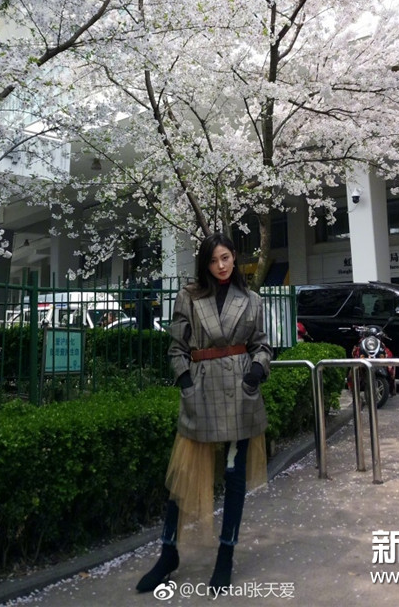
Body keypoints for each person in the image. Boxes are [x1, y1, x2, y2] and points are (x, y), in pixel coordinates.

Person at [136, 232, 272, 594]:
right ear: (204, 264)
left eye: (225, 258)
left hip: (241, 394)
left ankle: (226, 556)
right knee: (182, 476)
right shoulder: (189, 295)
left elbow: (261, 345)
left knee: (234, 477)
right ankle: (168, 553)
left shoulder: (252, 299)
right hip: (201, 391)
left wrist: (256, 371)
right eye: (213, 260)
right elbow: (176, 346)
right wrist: (185, 381)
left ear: (235, 257)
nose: (221, 266)